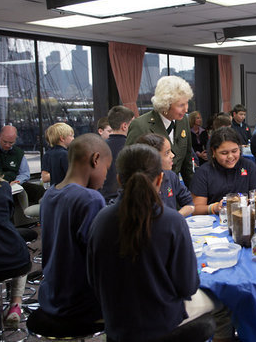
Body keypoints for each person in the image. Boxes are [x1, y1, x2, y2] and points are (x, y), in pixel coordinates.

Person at [86, 144, 233, 342]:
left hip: (117, 324)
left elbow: (93, 280)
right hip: (162, 324)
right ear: (160, 179)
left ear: (119, 179)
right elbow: (188, 287)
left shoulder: (100, 220)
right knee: (224, 303)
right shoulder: (172, 221)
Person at [38, 133, 111, 329]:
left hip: (50, 296)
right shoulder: (90, 198)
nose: (105, 178)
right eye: (107, 169)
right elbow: (101, 257)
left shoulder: (49, 196)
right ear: (95, 159)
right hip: (80, 304)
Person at [126, 75, 194, 187]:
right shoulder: (140, 126)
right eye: (181, 105)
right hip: (149, 192)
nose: (186, 109)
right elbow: (130, 167)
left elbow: (186, 162)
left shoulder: (183, 121)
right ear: (165, 105)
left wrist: (193, 195)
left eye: (187, 103)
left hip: (174, 192)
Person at [191, 127, 256, 215]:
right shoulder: (204, 172)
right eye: (224, 153)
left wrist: (250, 202)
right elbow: (196, 209)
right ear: (213, 152)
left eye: (234, 151)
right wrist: (215, 207)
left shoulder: (248, 166)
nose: (230, 156)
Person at [0, 165, 31, 328]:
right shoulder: (3, 187)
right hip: (16, 258)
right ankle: (15, 304)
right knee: (19, 253)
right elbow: (8, 214)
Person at [136, 133, 194, 217]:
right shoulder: (139, 183)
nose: (172, 155)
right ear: (152, 158)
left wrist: (175, 218)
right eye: (167, 153)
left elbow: (189, 203)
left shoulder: (171, 176)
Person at [0, 125, 44, 204]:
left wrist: (16, 181)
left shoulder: (18, 153)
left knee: (39, 190)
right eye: (5, 142)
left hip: (14, 183)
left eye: (11, 143)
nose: (8, 145)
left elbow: (25, 173)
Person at [100, 105, 134, 203]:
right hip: (124, 201)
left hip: (102, 199)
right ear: (124, 126)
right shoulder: (132, 148)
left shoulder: (99, 147)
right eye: (133, 123)